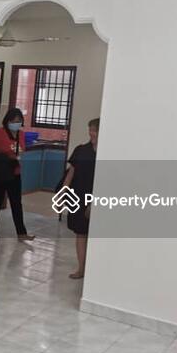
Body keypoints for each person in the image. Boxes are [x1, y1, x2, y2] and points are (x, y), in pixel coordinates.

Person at [0, 108, 35, 242]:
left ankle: (21, 233)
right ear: (7, 121)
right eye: (13, 121)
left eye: (19, 121)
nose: (16, 124)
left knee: (16, 202)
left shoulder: (21, 135)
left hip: (14, 172)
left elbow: (21, 151)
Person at [63, 118, 99, 279]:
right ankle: (81, 269)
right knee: (81, 233)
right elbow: (71, 173)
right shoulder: (81, 150)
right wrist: (64, 192)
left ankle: (94, 271)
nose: (92, 133)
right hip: (79, 196)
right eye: (90, 129)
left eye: (95, 130)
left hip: (97, 198)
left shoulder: (107, 152)